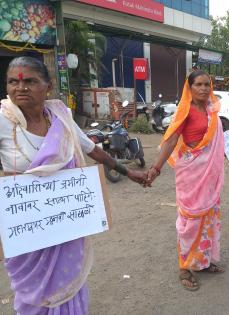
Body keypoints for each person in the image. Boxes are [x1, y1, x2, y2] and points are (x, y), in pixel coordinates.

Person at [0, 57, 147, 314]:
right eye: (13, 81)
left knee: (68, 284)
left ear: (48, 85)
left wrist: (128, 171)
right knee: (34, 298)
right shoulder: (3, 122)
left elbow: (93, 150)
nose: (20, 88)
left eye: (30, 81)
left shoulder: (61, 116)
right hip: (28, 231)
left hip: (64, 225)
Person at [146, 70, 225, 291]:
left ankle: (203, 261)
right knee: (190, 222)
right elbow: (171, 141)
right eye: (198, 84)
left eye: (206, 84)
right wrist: (156, 168)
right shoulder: (186, 110)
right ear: (189, 88)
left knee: (208, 219)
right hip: (191, 174)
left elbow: (217, 141)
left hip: (209, 176)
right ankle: (184, 267)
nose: (203, 88)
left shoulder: (212, 110)